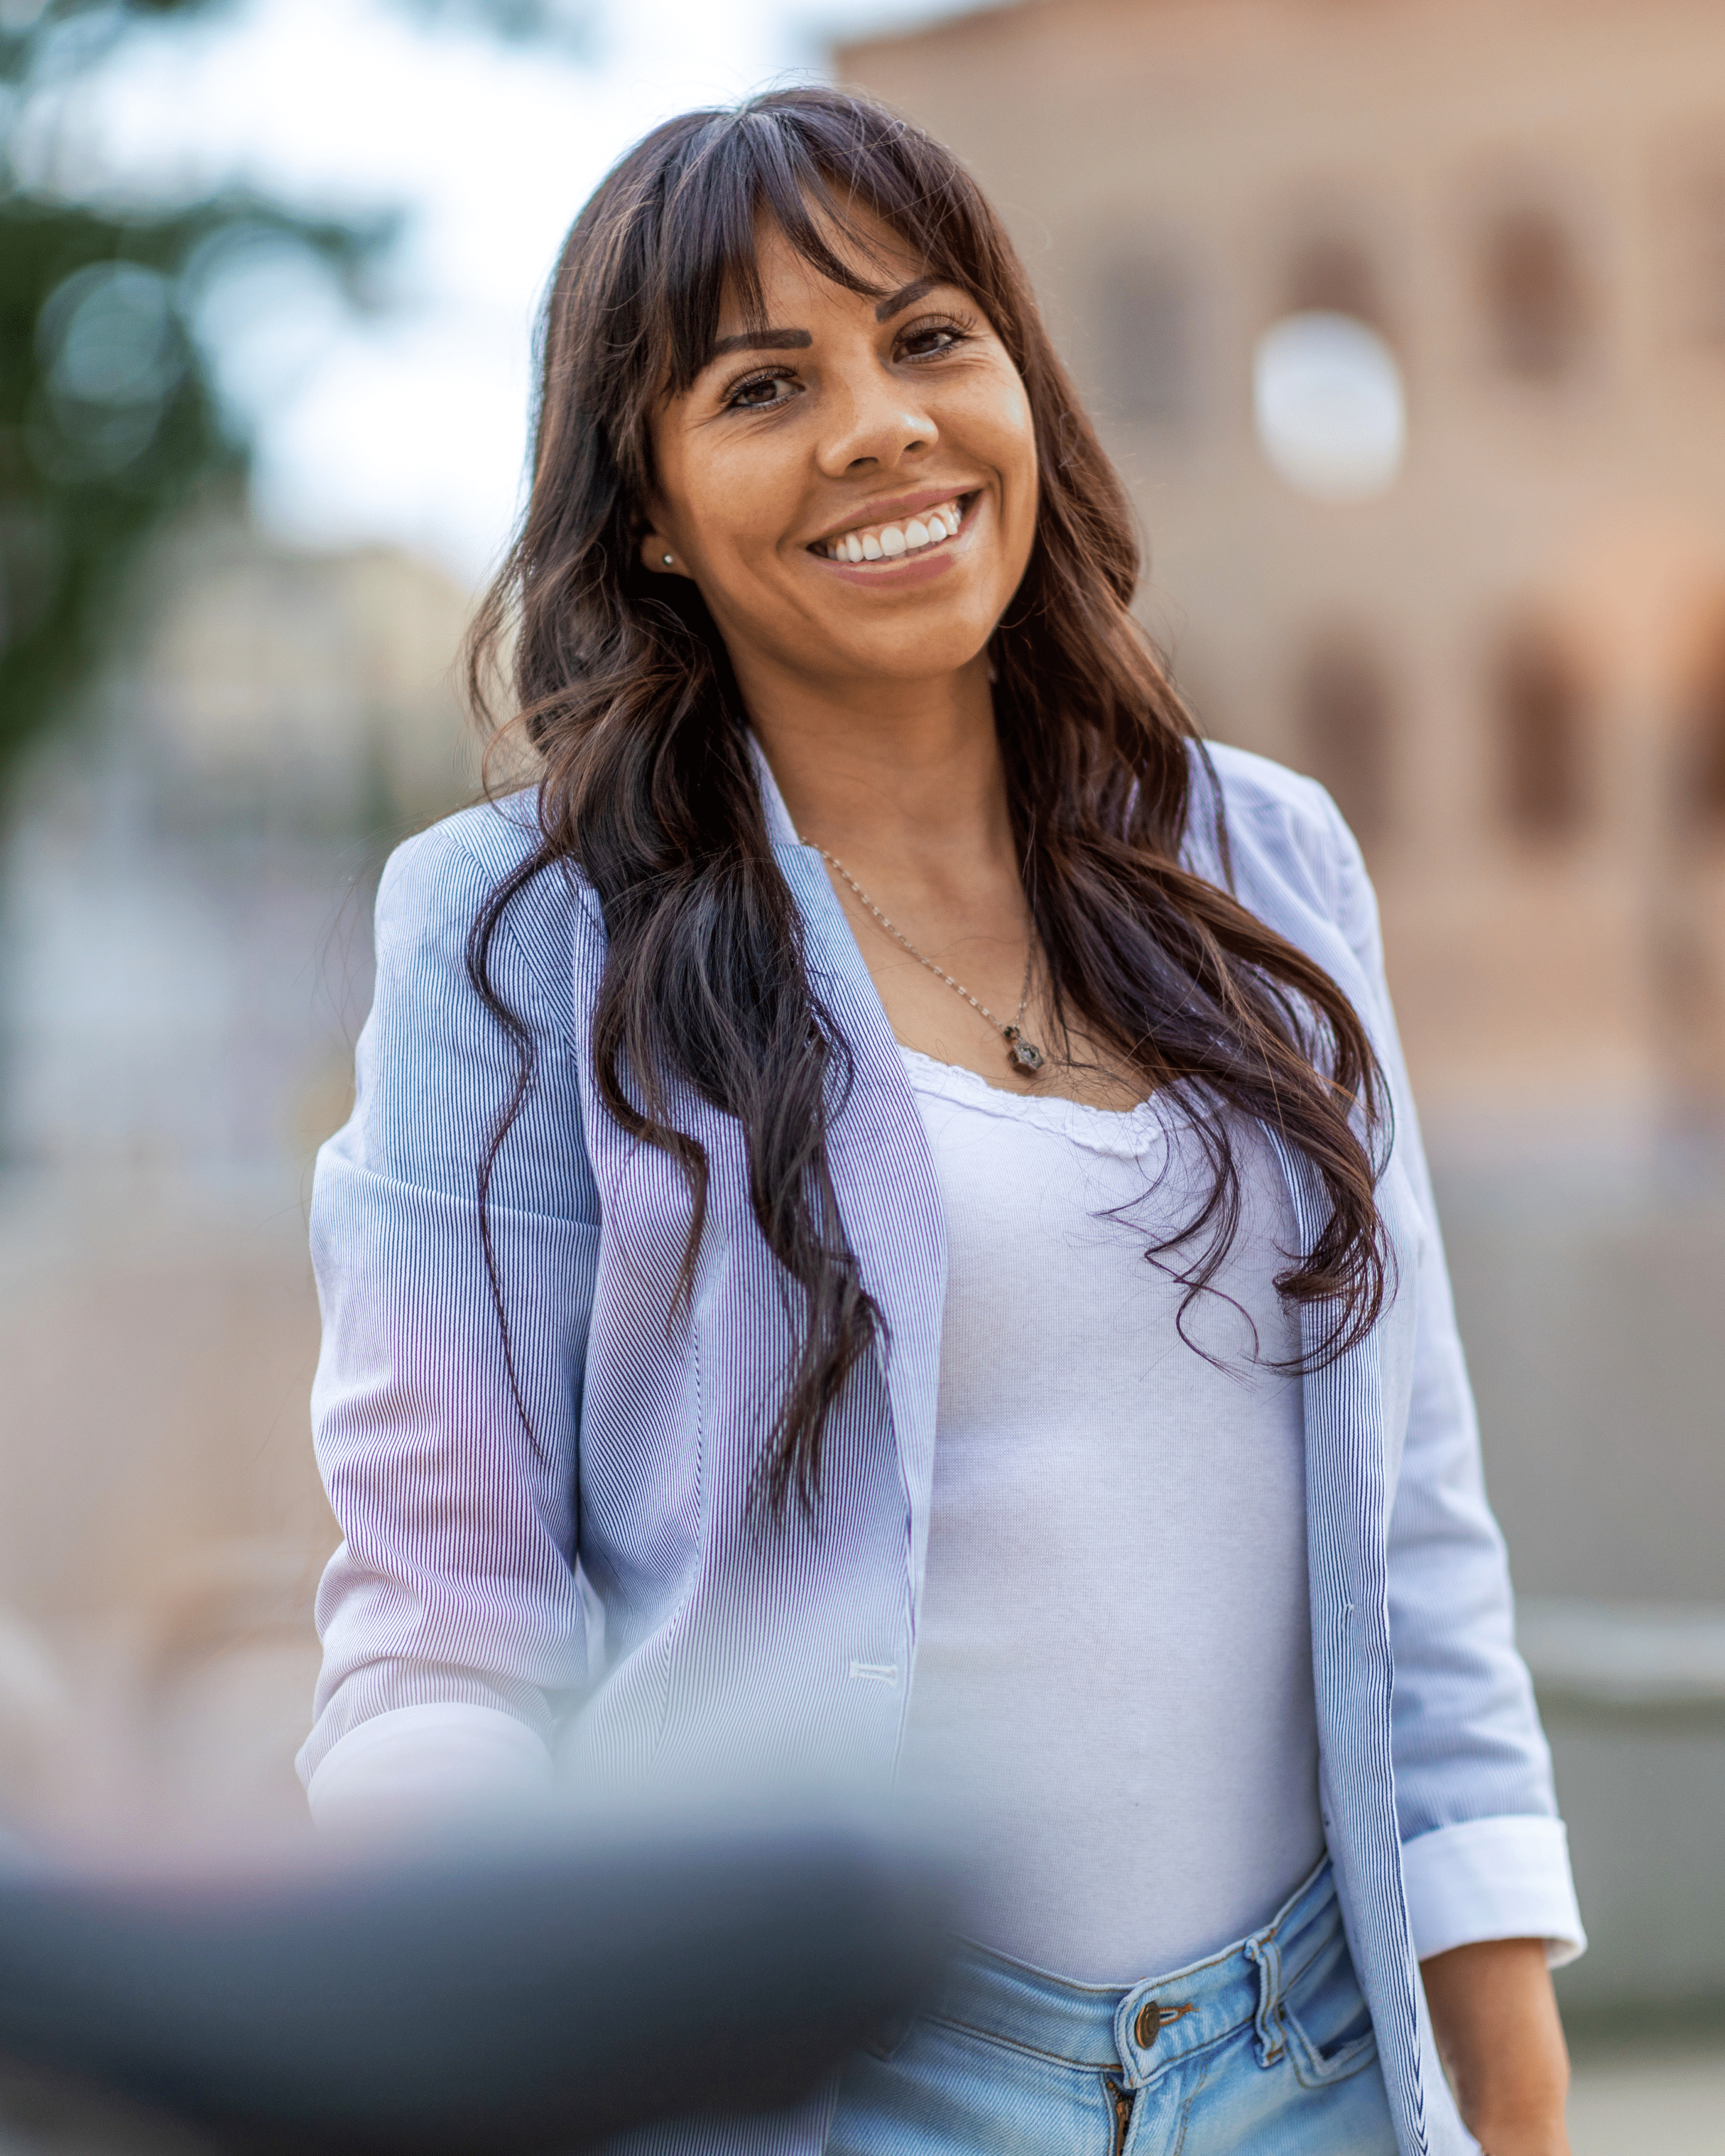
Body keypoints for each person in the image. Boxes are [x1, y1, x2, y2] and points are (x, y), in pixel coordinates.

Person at [296, 87, 1584, 2156]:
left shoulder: (1268, 859)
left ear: (1019, 384)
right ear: (645, 505)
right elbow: (445, 1597)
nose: (880, 428)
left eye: (927, 338)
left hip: (1315, 2066)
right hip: (830, 2086)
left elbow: (1407, 1517)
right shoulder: (514, 936)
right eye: (763, 383)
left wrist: (1504, 2077)